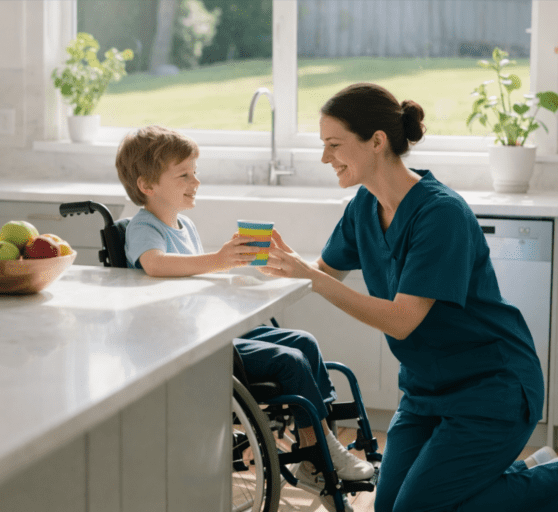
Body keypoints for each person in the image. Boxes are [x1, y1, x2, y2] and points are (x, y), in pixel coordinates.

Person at [258, 82, 558, 512]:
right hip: (426, 389)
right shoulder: (363, 209)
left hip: (492, 386)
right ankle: (526, 473)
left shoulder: (439, 213)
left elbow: (401, 320)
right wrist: (270, 265)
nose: (324, 157)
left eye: (334, 145)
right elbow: (322, 272)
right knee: (390, 508)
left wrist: (309, 277)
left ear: (376, 142)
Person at [115, 124, 374, 512]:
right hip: (190, 347)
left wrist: (233, 274)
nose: (196, 181)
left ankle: (318, 443)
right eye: (184, 174)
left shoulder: (185, 227)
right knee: (289, 361)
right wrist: (219, 260)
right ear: (147, 185)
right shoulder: (143, 227)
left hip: (209, 332)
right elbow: (154, 265)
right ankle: (318, 454)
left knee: (303, 341)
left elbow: (192, 278)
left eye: (194, 171)